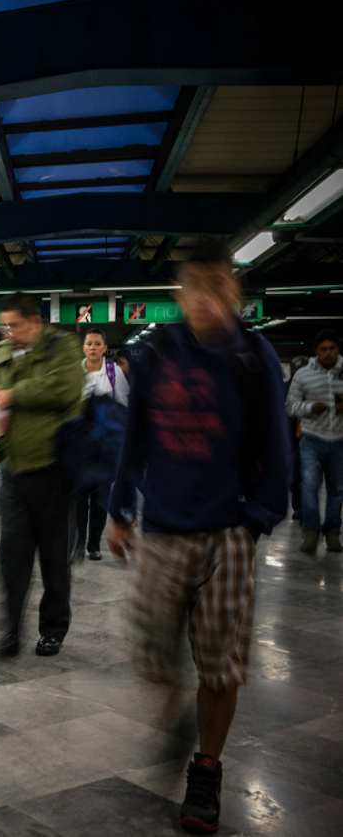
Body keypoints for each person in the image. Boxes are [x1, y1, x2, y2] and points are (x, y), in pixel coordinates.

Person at [106, 240, 290, 835]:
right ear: (180, 292)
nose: (207, 298)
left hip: (229, 534)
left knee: (221, 664)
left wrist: (259, 516)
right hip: (162, 528)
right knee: (152, 653)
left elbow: (276, 443)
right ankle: (174, 713)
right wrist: (119, 510)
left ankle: (206, 768)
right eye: (195, 285)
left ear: (233, 288)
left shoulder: (252, 355)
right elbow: (134, 435)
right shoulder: (157, 352)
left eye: (218, 284)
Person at [0, 294, 82, 657]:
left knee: (53, 557)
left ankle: (52, 628)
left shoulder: (61, 347)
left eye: (14, 325)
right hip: (14, 470)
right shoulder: (1, 351)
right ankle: (10, 629)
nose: (8, 332)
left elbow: (64, 387)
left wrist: (11, 394)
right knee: (13, 555)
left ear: (34, 322)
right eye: (5, 325)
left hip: (53, 469)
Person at [74, 328, 130, 561]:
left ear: (105, 348)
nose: (93, 348)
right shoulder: (74, 372)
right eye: (89, 344)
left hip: (105, 448)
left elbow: (124, 406)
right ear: (83, 347)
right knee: (78, 499)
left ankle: (93, 544)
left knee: (99, 498)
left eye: (97, 344)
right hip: (80, 447)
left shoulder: (114, 371)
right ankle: (77, 543)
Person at [286, 330, 341, 553]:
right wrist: (310, 408)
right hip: (311, 440)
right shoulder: (303, 376)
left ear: (338, 350)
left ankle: (332, 533)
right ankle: (310, 531)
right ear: (316, 352)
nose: (328, 353)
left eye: (332, 348)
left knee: (337, 490)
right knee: (309, 486)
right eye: (323, 349)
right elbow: (290, 406)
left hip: (340, 440)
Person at [286, 355, 310, 524]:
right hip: (291, 439)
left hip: (310, 438)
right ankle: (298, 508)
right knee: (295, 477)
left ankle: (305, 510)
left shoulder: (313, 390)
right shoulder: (284, 388)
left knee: (308, 478)